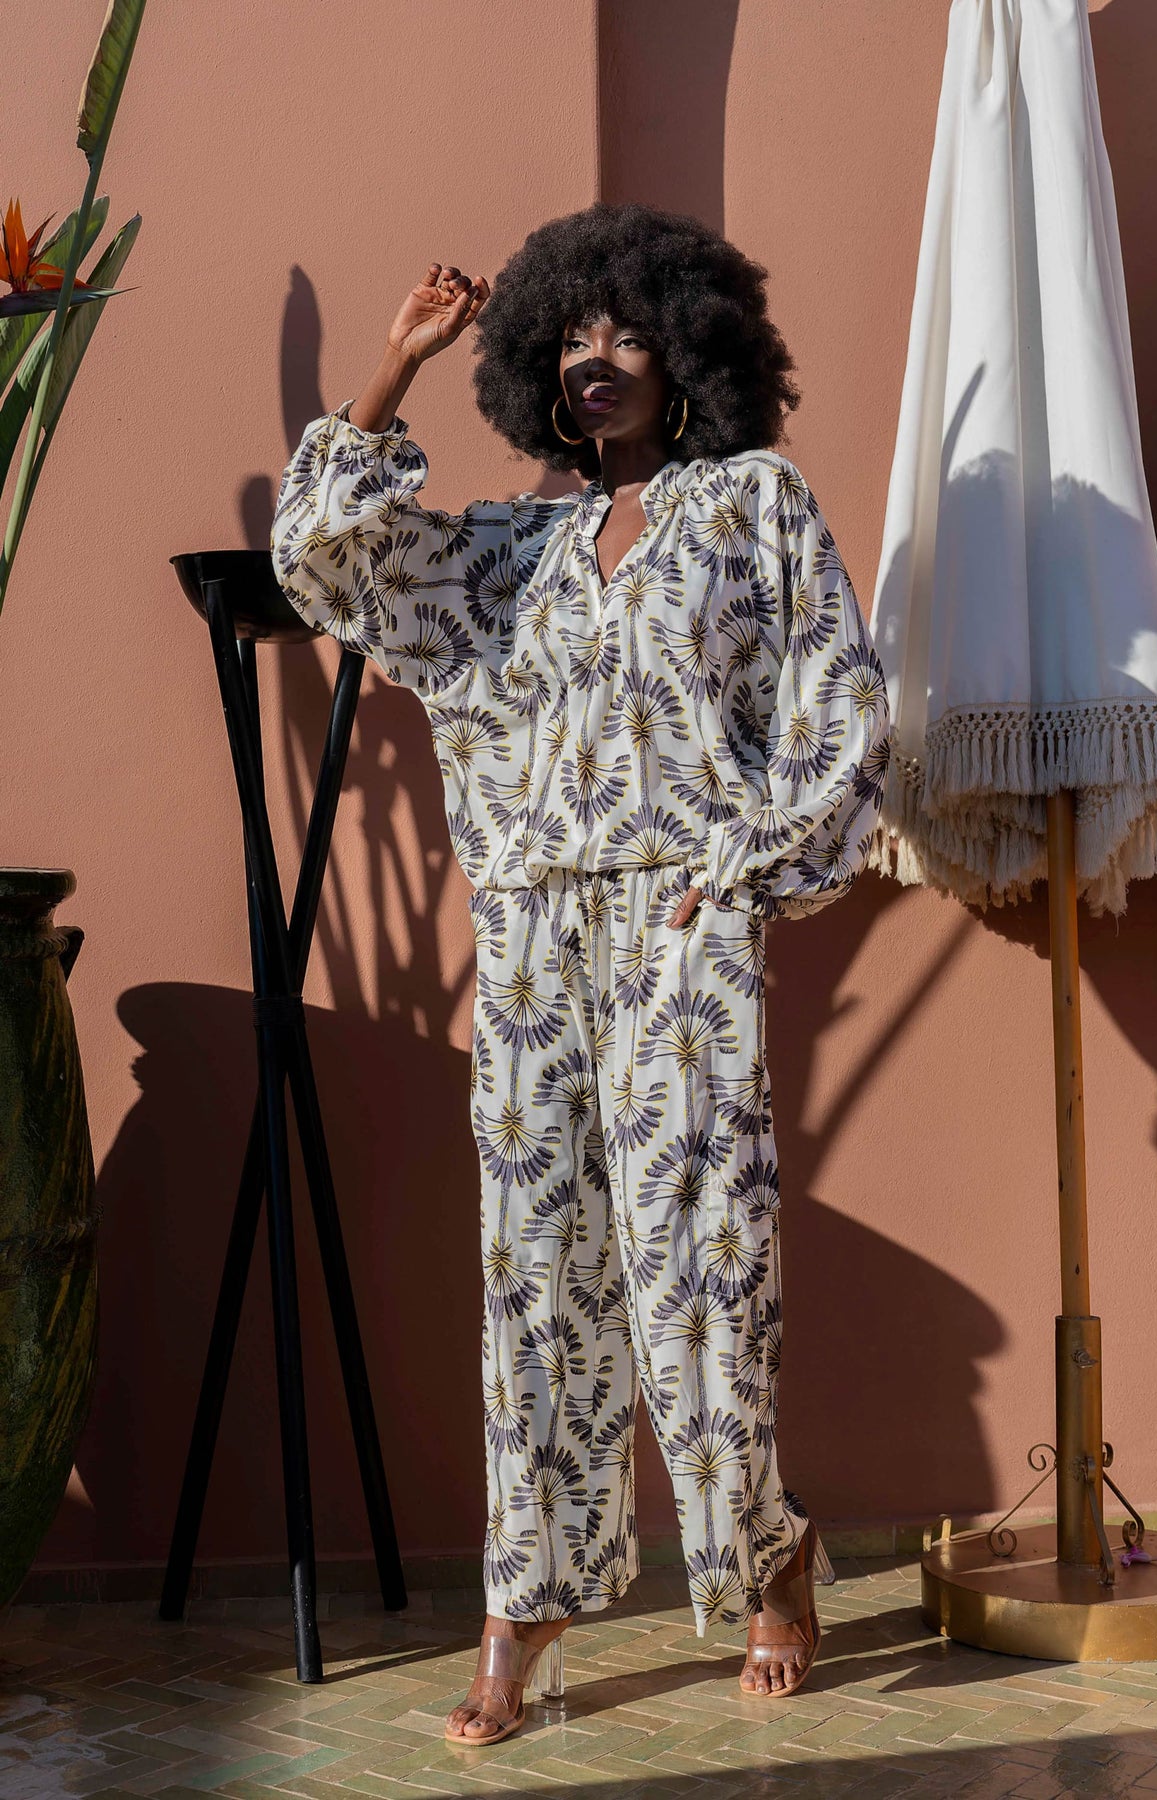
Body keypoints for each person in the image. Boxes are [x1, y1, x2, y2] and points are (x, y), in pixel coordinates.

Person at [272, 202, 890, 1745]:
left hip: (678, 926)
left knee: (698, 1265)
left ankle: (762, 1550)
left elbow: (840, 706)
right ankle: (525, 1604)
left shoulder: (751, 504)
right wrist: (395, 365)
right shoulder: (511, 548)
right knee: (532, 1271)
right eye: (567, 339)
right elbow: (325, 563)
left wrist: (743, 866)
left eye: (623, 333)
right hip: (535, 933)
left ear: (688, 352)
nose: (592, 360)